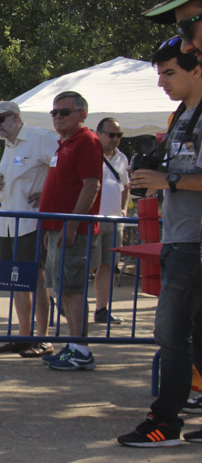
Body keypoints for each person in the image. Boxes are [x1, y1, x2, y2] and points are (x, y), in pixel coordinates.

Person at [115, 35, 202, 447]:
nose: (162, 83)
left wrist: (167, 179)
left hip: (194, 243)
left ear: (197, 68)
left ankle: (165, 421)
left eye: (170, 72)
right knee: (192, 334)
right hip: (180, 237)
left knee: (171, 333)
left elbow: (180, 177)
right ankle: (168, 418)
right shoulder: (180, 116)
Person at [0, 101, 56, 357]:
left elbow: (62, 167)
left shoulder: (40, 137)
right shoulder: (9, 146)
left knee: (36, 279)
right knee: (16, 282)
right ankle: (24, 335)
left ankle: (43, 337)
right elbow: (11, 180)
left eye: (0, 120)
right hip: (7, 223)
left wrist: (49, 192)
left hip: (30, 222)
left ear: (15, 116)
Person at [38, 91, 102, 372]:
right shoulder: (63, 143)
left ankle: (82, 349)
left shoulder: (86, 140)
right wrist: (51, 228)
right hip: (57, 229)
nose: (57, 117)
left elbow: (91, 185)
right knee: (62, 289)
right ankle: (74, 344)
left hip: (73, 230)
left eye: (64, 112)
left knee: (73, 290)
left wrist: (72, 224)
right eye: (54, 112)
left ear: (81, 114)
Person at [91, 117, 130, 325]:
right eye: (111, 134)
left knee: (108, 266)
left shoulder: (122, 158)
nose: (115, 139)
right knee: (87, 264)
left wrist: (123, 209)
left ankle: (102, 309)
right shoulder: (91, 154)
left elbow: (126, 185)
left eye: (119, 135)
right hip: (92, 220)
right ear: (99, 134)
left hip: (114, 221)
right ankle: (65, 301)